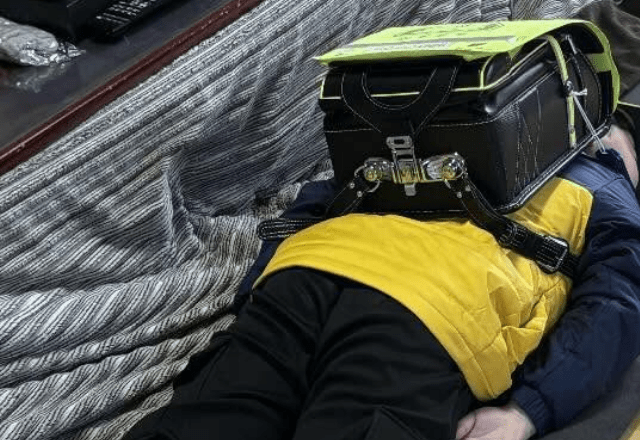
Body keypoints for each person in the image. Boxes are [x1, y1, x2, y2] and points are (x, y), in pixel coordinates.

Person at [122, 119, 640, 440]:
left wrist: (254, 301)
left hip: (305, 273)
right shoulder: (606, 186)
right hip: (431, 309)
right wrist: (526, 412)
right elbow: (615, 307)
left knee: (201, 421)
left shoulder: (425, 136)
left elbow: (305, 209)